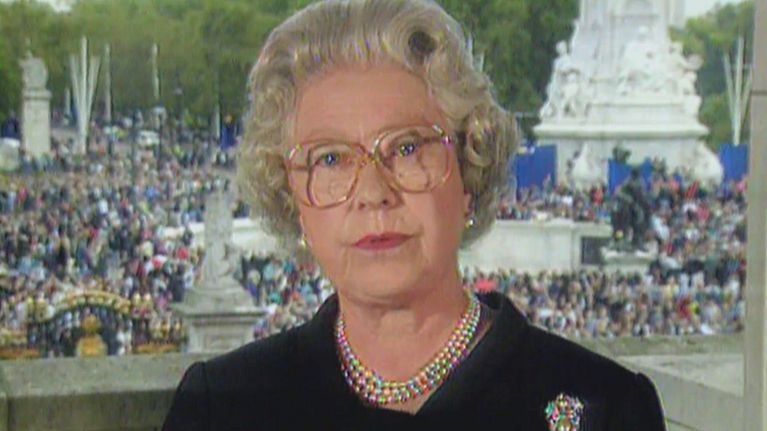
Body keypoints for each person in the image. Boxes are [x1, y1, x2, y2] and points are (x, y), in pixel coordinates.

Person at [162, 0, 666, 429]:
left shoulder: (605, 408)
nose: (373, 192)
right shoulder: (221, 407)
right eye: (330, 159)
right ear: (291, 200)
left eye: (407, 148)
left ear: (469, 172)